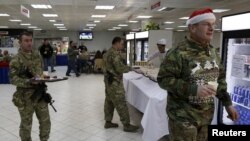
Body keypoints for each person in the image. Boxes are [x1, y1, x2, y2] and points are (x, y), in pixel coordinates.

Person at [157, 8, 239, 141]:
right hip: (183, 119)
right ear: (192, 28)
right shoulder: (178, 53)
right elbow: (164, 80)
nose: (212, 28)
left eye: (213, 24)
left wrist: (227, 104)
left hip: (206, 117)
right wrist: (193, 89)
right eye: (206, 24)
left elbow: (220, 80)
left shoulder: (213, 53)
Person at [9, 31, 51, 141]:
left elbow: (40, 71)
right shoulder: (16, 60)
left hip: (40, 95)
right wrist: (29, 81)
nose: (29, 43)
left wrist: (43, 77)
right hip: (25, 98)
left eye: (30, 40)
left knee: (45, 122)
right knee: (26, 126)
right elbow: (12, 79)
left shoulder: (37, 55)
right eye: (26, 40)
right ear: (20, 42)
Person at [103, 36, 139, 132]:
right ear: (117, 43)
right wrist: (131, 68)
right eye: (122, 44)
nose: (123, 46)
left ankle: (108, 121)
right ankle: (126, 125)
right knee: (121, 102)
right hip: (115, 82)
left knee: (109, 102)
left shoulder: (107, 53)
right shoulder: (114, 54)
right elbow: (119, 68)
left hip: (108, 82)